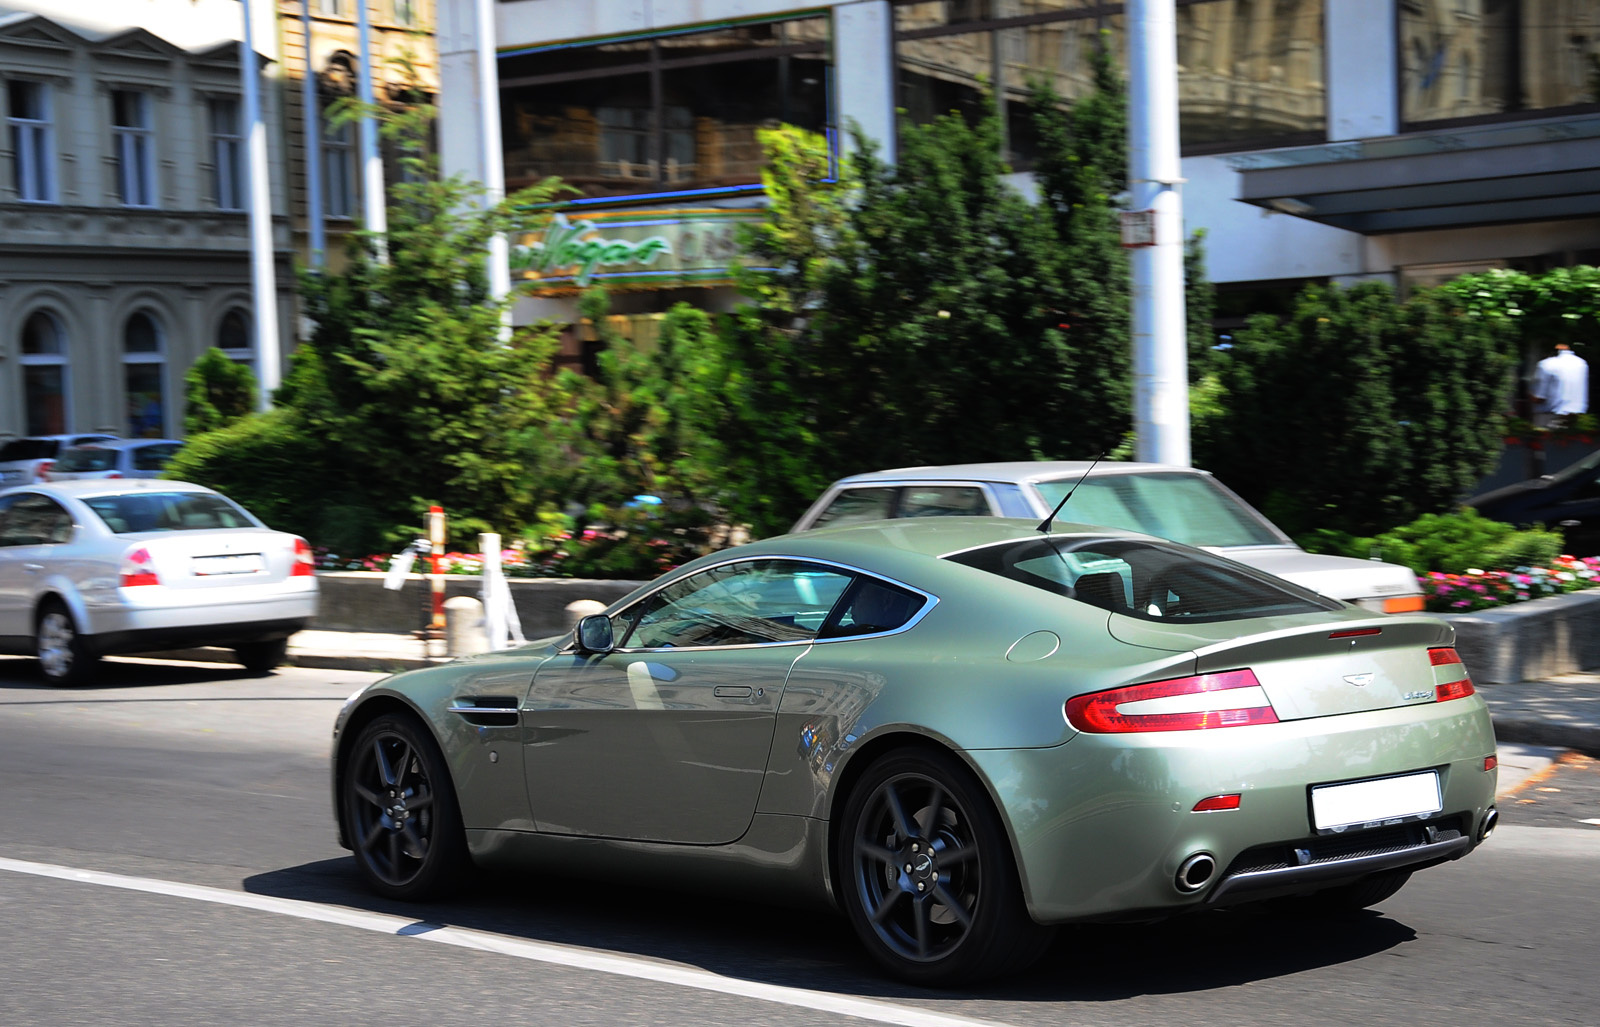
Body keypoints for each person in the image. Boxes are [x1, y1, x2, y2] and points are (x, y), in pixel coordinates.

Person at [1531, 341, 1589, 429]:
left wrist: (1528, 394)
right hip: (1576, 417)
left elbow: (1539, 398)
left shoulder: (1546, 364)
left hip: (1550, 417)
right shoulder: (1581, 363)